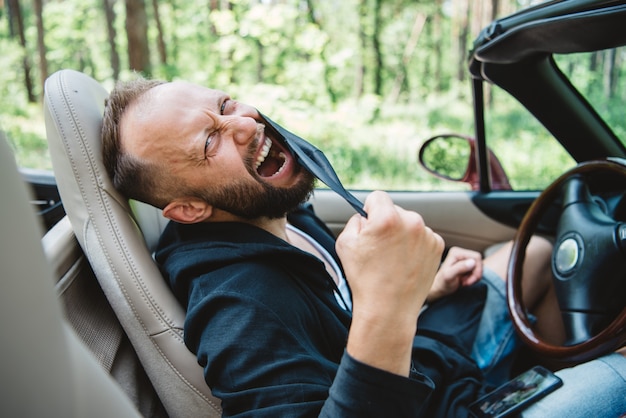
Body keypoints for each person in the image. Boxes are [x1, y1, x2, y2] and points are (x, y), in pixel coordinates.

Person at [101, 77, 626, 417]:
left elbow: (328, 313)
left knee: (532, 255)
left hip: (427, 367)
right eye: (210, 140)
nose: (245, 123)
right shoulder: (238, 305)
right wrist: (391, 306)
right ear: (188, 210)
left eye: (226, 104)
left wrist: (425, 290)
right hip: (424, 400)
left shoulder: (270, 210)